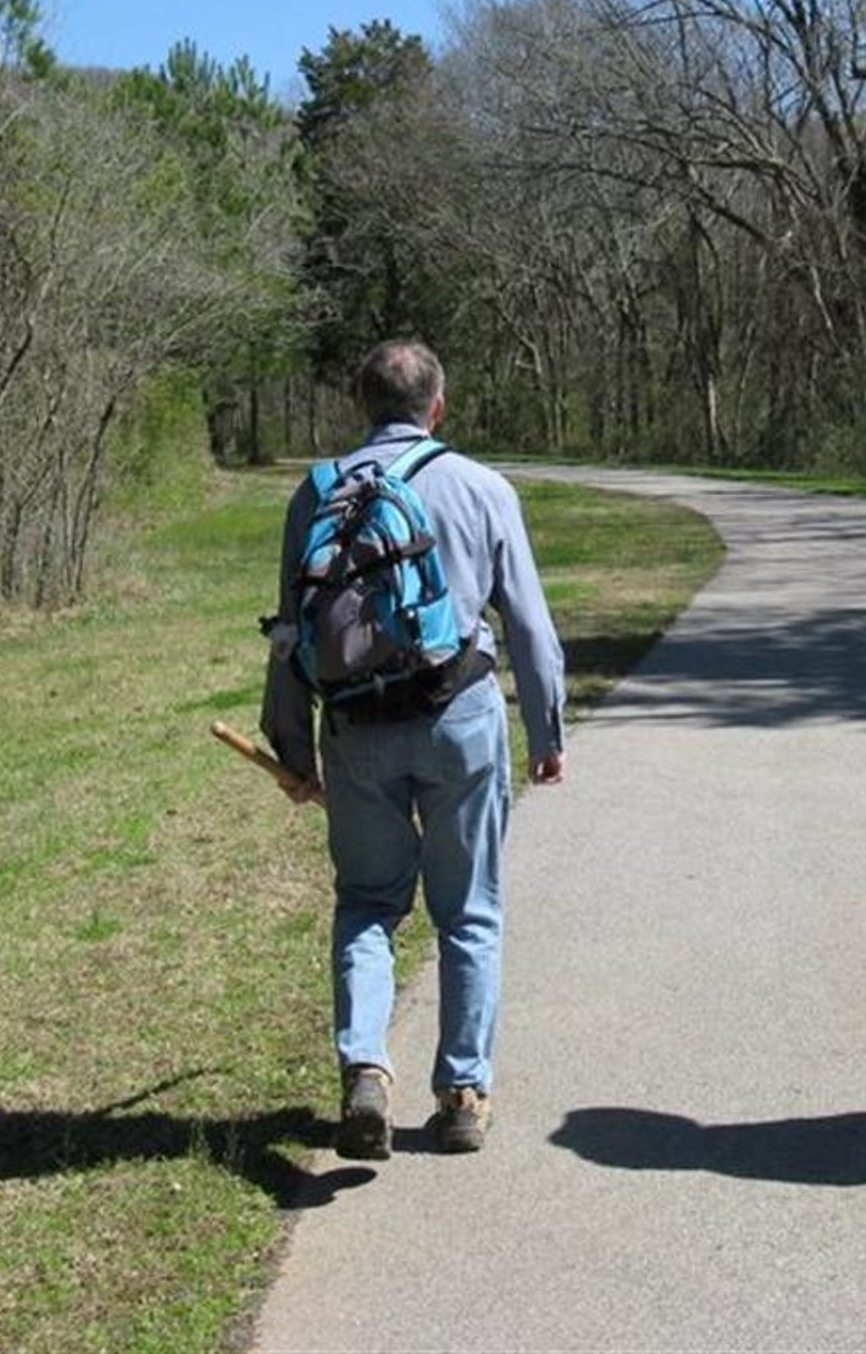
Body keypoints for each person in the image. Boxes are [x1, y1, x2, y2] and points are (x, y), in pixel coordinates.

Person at [261, 338, 567, 1159]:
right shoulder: (481, 488)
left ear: (363, 406)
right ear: (440, 405)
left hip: (356, 726)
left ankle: (366, 1063)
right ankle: (463, 1092)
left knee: (367, 902)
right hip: (459, 718)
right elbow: (530, 625)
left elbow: (293, 630)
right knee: (469, 909)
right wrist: (546, 731)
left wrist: (293, 748)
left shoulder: (317, 492)